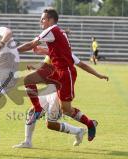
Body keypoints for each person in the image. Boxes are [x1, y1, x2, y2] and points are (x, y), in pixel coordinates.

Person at [17, 8, 98, 142]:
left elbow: (32, 44)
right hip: (56, 73)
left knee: (66, 110)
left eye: (42, 19)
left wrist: (11, 51)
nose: (40, 21)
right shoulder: (57, 35)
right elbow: (50, 55)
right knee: (28, 80)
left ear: (50, 20)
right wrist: (40, 55)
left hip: (65, 74)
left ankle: (89, 124)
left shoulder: (52, 30)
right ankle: (37, 111)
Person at [13, 54, 108, 148]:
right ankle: (27, 142)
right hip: (49, 90)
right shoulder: (51, 51)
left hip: (57, 92)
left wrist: (98, 75)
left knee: (51, 123)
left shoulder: (67, 53)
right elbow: (45, 65)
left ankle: (79, 130)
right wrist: (34, 67)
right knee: (31, 112)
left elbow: (82, 65)